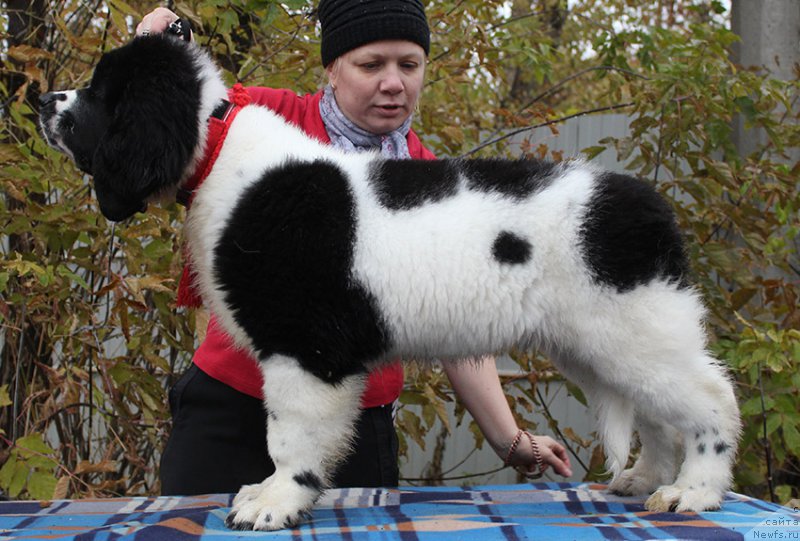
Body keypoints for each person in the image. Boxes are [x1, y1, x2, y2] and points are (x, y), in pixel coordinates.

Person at [137, 0, 572, 496]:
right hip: (232, 408)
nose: (394, 83)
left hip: (350, 422)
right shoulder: (261, 118)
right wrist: (162, 42)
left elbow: (463, 320)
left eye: (409, 65)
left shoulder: (432, 180)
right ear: (332, 69)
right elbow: (183, 112)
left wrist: (508, 439)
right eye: (371, 65)